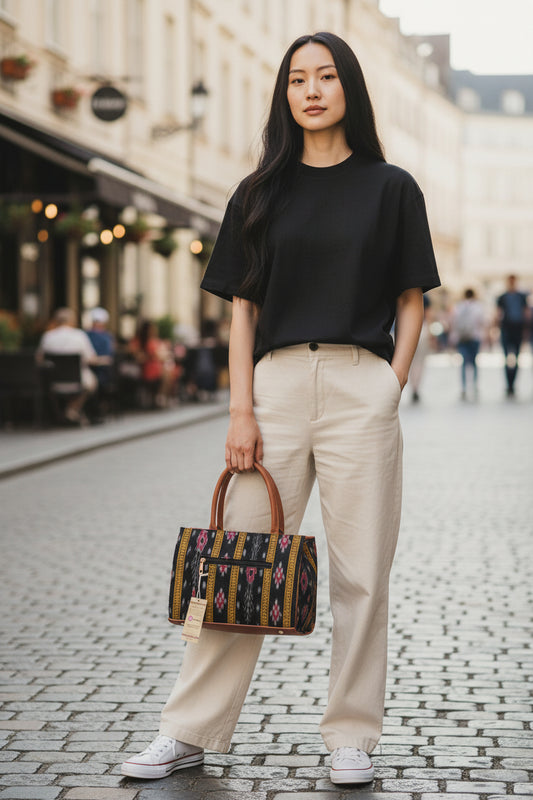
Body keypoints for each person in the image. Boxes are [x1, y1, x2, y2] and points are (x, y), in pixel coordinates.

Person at [121, 32, 440, 786]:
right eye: (297, 78)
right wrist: (240, 410)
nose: (311, 89)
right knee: (238, 562)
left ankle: (350, 736)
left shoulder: (390, 187)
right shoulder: (259, 190)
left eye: (326, 76)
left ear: (348, 90)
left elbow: (410, 299)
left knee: (362, 573)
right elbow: (240, 309)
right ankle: (189, 729)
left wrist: (389, 386)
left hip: (360, 384)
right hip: (274, 390)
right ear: (285, 95)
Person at [36, 307, 100, 425]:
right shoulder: (80, 335)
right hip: (78, 380)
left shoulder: (48, 336)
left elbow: (39, 358)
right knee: (92, 382)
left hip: (53, 380)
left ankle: (62, 413)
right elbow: (91, 359)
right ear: (72, 321)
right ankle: (72, 409)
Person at [450, 289, 486, 400]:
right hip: (475, 337)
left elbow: (454, 322)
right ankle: (474, 385)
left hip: (462, 338)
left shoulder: (458, 307)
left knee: (464, 362)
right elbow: (483, 322)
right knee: (474, 362)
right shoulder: (478, 307)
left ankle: (464, 387)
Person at [496, 275, 529, 396]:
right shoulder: (502, 297)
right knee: (507, 359)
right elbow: (498, 314)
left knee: (516, 358)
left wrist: (526, 330)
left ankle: (512, 383)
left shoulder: (521, 297)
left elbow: (526, 314)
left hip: (518, 330)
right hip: (506, 330)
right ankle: (509, 384)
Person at [85, 307, 116, 421]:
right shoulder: (106, 336)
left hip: (95, 369)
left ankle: (95, 410)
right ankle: (96, 410)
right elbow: (109, 355)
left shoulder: (87, 335)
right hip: (97, 370)